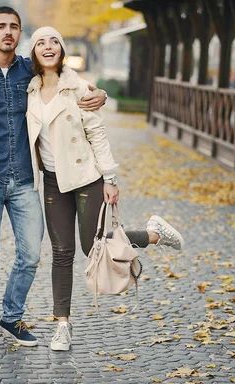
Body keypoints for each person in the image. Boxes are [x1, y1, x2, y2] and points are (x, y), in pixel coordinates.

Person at [0, 7, 106, 350]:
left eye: (14, 27)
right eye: (1, 26)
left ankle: (12, 316)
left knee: (31, 255)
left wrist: (100, 94)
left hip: (27, 181)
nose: (8, 32)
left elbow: (69, 83)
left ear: (20, 34)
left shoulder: (29, 73)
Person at [26, 27, 185, 352]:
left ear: (62, 48)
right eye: (40, 42)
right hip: (53, 181)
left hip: (85, 177)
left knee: (94, 245)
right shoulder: (28, 89)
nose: (48, 46)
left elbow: (97, 134)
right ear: (33, 52)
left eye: (54, 40)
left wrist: (110, 179)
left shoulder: (80, 87)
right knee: (61, 252)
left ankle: (153, 234)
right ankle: (63, 326)